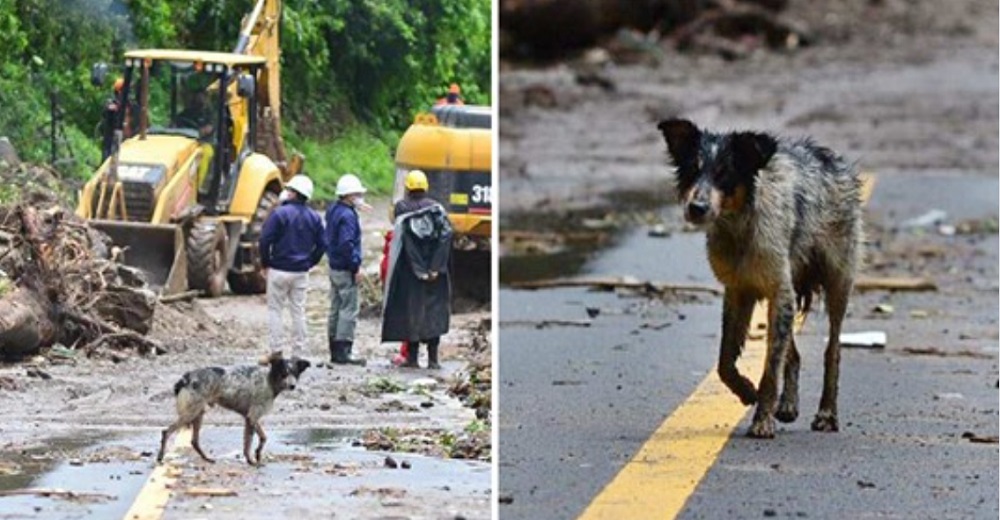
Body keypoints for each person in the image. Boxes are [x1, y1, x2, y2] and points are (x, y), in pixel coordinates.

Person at [381, 170, 453, 369]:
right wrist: (436, 267)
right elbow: (446, 237)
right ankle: (433, 359)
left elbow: (406, 242)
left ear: (407, 188)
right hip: (436, 273)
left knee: (410, 312)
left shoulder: (401, 209)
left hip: (410, 273)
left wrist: (419, 269)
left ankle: (412, 359)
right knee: (434, 313)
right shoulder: (437, 210)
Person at [258, 175, 326, 358]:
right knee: (298, 311)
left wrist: (265, 263)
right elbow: (322, 244)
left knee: (275, 311)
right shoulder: (314, 217)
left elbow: (265, 240)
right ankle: (299, 352)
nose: (286, 193)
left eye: (289, 190)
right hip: (301, 271)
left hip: (278, 269)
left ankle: (276, 351)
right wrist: (310, 262)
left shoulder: (279, 214)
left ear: (295, 193)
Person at [325, 173, 368, 366]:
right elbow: (347, 244)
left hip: (333, 266)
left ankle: (334, 348)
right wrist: (356, 266)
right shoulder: (348, 216)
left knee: (335, 307)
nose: (360, 197)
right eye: (357, 194)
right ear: (349, 196)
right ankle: (344, 351)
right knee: (348, 309)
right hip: (345, 268)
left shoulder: (333, 210)